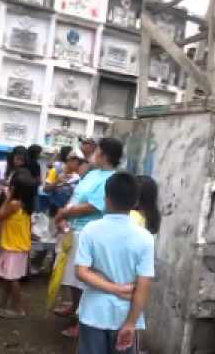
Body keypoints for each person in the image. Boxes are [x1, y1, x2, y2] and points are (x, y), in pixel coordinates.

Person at [76, 172, 154, 354]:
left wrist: (111, 288)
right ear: (135, 202)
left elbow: (81, 272)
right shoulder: (145, 238)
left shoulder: (90, 230)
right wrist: (130, 323)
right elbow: (143, 286)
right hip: (125, 315)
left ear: (106, 199)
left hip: (93, 313)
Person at [54, 138, 123, 338]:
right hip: (73, 229)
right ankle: (74, 307)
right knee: (72, 278)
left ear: (105, 155)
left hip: (88, 232)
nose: (93, 153)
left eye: (97, 150)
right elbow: (77, 195)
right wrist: (63, 215)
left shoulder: (111, 178)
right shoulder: (94, 173)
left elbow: (94, 206)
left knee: (85, 280)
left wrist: (65, 214)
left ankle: (82, 322)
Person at [0, 169, 37, 319]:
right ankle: (3, 303)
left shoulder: (14, 204)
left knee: (12, 279)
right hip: (19, 247)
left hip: (13, 247)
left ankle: (19, 309)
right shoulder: (27, 205)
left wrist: (8, 197)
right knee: (9, 277)